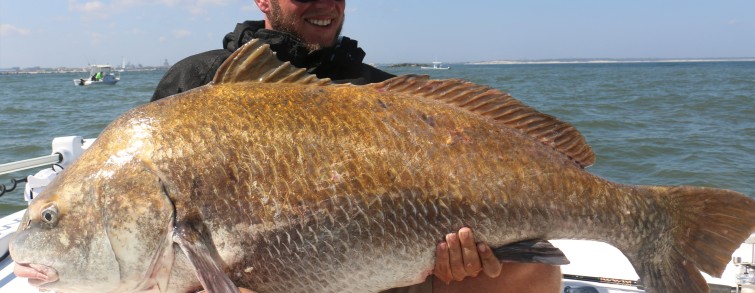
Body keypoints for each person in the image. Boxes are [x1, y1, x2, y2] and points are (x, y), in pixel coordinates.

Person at [155, 1, 563, 292]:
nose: (325, 4)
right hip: (254, 278)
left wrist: (454, 254)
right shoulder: (195, 80)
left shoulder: (383, 91)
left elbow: (436, 185)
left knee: (534, 275)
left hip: (383, 272)